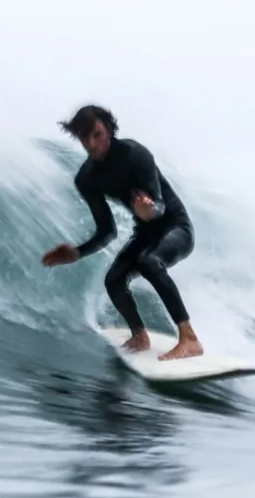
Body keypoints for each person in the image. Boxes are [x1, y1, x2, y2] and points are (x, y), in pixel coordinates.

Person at [41, 104, 204, 361]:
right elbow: (107, 231)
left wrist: (148, 211)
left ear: (109, 130)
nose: (92, 144)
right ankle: (140, 335)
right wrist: (77, 252)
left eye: (97, 134)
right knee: (114, 280)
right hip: (146, 233)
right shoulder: (86, 179)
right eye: (85, 137)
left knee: (149, 262)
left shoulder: (135, 154)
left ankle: (189, 338)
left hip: (176, 227)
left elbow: (159, 206)